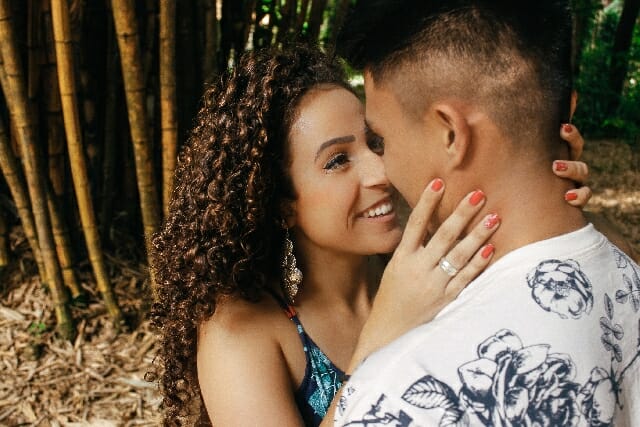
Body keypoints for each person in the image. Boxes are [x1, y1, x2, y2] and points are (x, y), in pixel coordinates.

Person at [150, 44, 596, 427]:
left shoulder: (435, 259)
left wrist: (552, 185)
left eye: (376, 142)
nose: (381, 172)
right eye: (337, 160)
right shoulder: (244, 331)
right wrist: (382, 336)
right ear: (280, 204)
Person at [333, 1, 640, 426]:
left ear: (451, 134)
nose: (383, 170)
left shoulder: (405, 389)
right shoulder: (627, 275)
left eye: (381, 139)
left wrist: (371, 357)